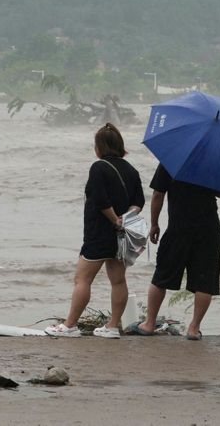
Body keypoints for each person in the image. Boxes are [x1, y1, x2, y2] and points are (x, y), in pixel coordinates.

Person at [46, 123, 144, 339]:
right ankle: (112, 327)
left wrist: (114, 220)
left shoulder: (98, 167)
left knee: (82, 280)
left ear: (100, 146)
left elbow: (99, 199)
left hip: (99, 233)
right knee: (118, 280)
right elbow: (139, 201)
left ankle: (70, 325)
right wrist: (125, 219)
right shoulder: (131, 170)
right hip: (122, 237)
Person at [125, 164, 220, 340]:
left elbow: (158, 194)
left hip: (178, 227)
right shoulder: (214, 162)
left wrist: (154, 223)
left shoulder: (172, 159)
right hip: (208, 229)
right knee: (205, 280)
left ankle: (149, 323)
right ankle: (194, 328)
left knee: (162, 276)